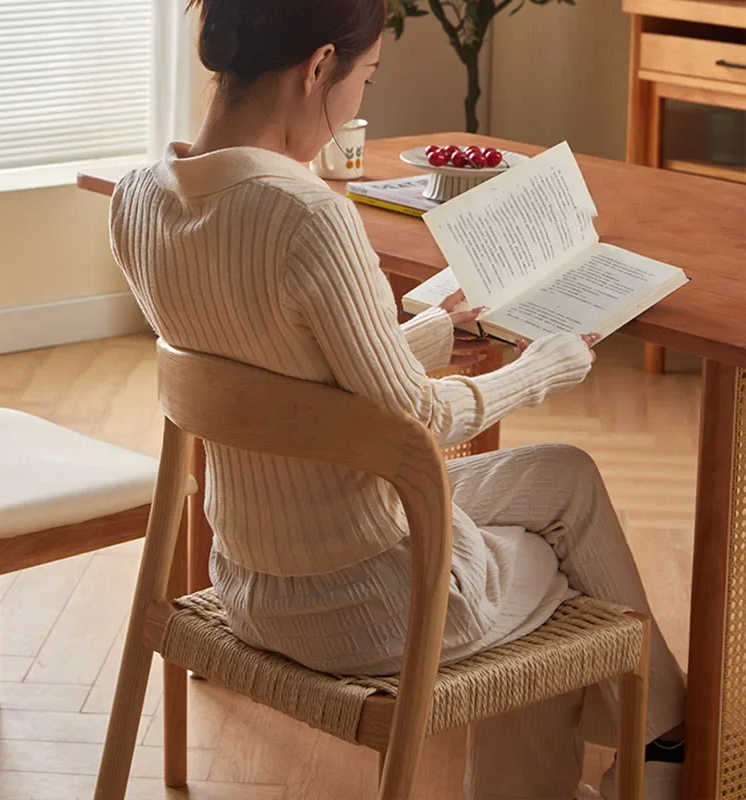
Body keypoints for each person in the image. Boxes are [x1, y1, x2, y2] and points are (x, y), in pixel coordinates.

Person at [109, 1, 687, 797]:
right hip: (373, 609)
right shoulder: (306, 215)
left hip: (251, 579)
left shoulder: (137, 200)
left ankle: (666, 734)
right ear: (317, 68)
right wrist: (545, 366)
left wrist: (434, 333)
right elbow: (419, 422)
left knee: (564, 477)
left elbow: (286, 379)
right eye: (366, 77)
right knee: (557, 575)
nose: (358, 99)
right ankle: (639, 756)